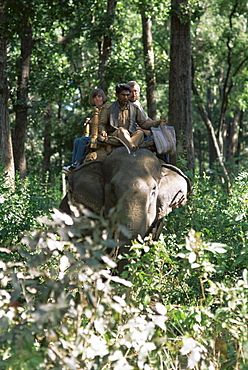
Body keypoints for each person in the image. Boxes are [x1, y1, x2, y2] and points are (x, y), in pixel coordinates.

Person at [97, 83, 161, 152]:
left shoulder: (134, 108)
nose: (126, 97)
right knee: (121, 130)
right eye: (123, 95)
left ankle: (130, 147)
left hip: (130, 135)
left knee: (140, 133)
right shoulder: (108, 108)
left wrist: (158, 122)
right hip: (115, 135)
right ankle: (132, 147)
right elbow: (102, 124)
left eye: (127, 95)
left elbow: (144, 124)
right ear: (117, 95)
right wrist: (103, 131)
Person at [63, 88, 108, 173]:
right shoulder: (97, 110)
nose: (97, 99)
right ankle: (74, 163)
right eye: (95, 97)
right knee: (77, 140)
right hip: (95, 134)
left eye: (99, 96)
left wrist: (94, 122)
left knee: (83, 140)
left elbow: (104, 122)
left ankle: (78, 163)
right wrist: (90, 122)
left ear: (103, 97)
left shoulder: (106, 108)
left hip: (103, 135)